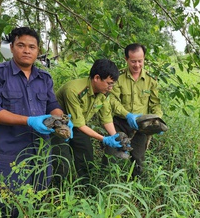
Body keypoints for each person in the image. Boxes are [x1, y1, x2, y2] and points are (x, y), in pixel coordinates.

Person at [0, 27, 73, 217]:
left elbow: (52, 104)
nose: (27, 50)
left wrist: (60, 119)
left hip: (41, 151)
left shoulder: (44, 78)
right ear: (12, 47)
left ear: (38, 51)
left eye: (32, 47)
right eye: (21, 45)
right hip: (11, 154)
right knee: (13, 206)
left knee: (38, 201)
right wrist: (29, 121)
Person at [53, 59, 122, 181]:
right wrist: (104, 139)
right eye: (109, 83)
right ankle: (60, 192)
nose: (111, 88)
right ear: (96, 78)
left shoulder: (103, 92)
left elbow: (106, 118)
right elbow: (78, 123)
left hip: (79, 125)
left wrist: (115, 137)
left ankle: (85, 189)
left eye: (113, 84)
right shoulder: (73, 90)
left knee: (86, 157)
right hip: (58, 126)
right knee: (62, 161)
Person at [105, 43, 163, 177]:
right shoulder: (118, 78)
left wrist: (157, 120)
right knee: (110, 155)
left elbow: (155, 104)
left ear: (144, 59)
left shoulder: (151, 80)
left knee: (138, 161)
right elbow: (112, 100)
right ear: (126, 59)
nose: (137, 65)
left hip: (141, 126)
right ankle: (106, 183)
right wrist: (128, 115)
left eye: (140, 61)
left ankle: (135, 188)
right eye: (133, 61)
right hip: (120, 122)